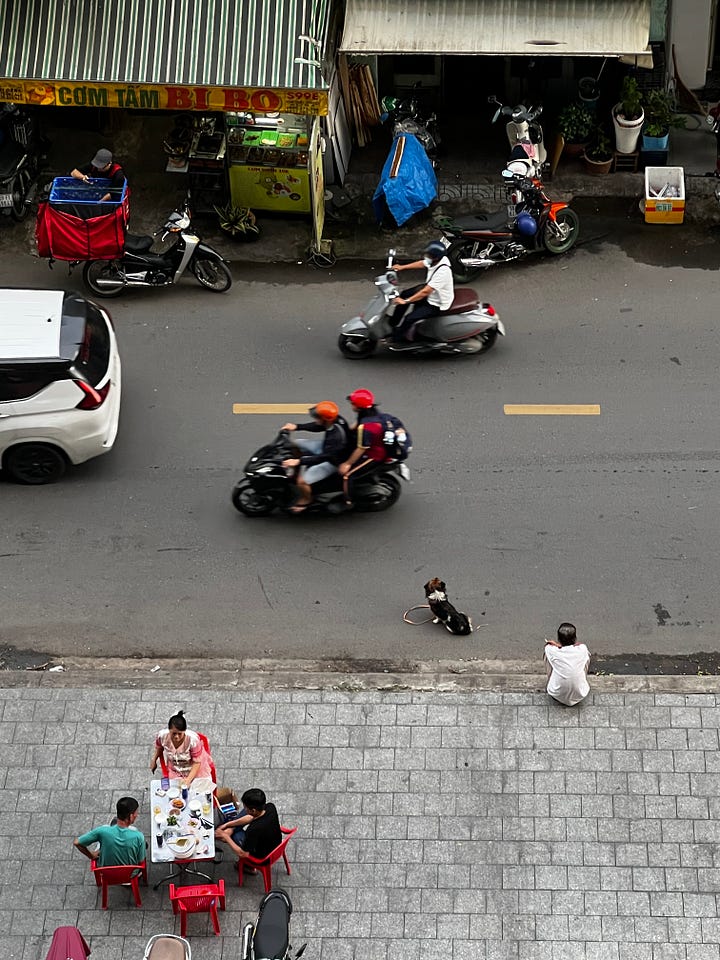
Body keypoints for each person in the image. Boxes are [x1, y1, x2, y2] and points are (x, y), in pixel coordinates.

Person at [280, 401, 351, 513]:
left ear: (326, 419)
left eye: (318, 417)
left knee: (302, 481)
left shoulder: (336, 437)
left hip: (332, 461)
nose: (316, 420)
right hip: (327, 449)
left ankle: (307, 499)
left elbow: (323, 457)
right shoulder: (334, 420)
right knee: (297, 444)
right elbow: (318, 426)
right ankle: (295, 470)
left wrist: (299, 461)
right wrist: (297, 427)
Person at [389, 240, 454, 342]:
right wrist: (402, 267)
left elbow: (425, 292)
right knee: (404, 294)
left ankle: (398, 338)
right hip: (432, 292)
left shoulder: (443, 272)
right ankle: (392, 323)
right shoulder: (438, 260)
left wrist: (406, 301)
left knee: (409, 318)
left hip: (437, 303)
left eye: (428, 255)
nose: (426, 256)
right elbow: (422, 263)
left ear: (435, 257)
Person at [338, 388, 390, 505]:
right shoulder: (369, 412)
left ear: (358, 406)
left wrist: (347, 464)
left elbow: (362, 448)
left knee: (347, 475)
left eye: (352, 403)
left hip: (374, 454)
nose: (351, 405)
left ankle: (348, 502)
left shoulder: (367, 426)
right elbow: (355, 427)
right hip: (370, 443)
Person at [214, 788, 282, 865]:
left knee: (236, 835)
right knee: (244, 814)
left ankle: (249, 867)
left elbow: (242, 854)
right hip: (275, 841)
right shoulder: (270, 807)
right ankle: (230, 829)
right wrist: (228, 825)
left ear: (253, 810)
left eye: (246, 807)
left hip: (262, 855)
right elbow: (250, 818)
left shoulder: (253, 829)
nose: (245, 808)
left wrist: (226, 836)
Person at [73, 796, 145, 867]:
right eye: (136, 813)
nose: (137, 815)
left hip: (105, 873)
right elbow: (140, 860)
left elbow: (77, 842)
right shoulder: (138, 836)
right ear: (131, 816)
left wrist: (91, 855)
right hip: (129, 874)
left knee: (101, 838)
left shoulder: (102, 831)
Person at [150, 710, 213, 787]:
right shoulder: (162, 736)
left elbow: (197, 763)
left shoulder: (193, 741)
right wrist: (154, 760)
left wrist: (188, 780)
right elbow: (159, 747)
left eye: (180, 734)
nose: (176, 737)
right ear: (169, 730)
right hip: (175, 770)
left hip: (193, 769)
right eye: (173, 733)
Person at [544, 622, 590, 707]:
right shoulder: (582, 649)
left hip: (556, 693)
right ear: (575, 638)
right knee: (586, 657)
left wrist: (555, 645)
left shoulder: (552, 651)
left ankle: (551, 679)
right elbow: (581, 645)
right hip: (581, 693)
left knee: (547, 657)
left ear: (559, 639)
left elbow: (547, 646)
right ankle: (581, 679)